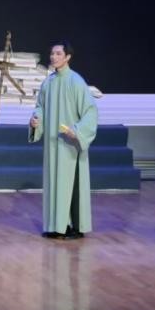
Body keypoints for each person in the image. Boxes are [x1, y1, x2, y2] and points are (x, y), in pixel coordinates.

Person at [28, 42, 97, 239]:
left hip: (70, 144)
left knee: (72, 184)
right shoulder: (48, 83)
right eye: (52, 53)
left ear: (67, 57)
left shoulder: (76, 81)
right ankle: (57, 226)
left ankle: (75, 227)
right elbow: (40, 107)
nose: (53, 57)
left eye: (58, 54)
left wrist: (78, 131)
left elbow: (90, 111)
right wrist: (35, 120)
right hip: (53, 144)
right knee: (54, 183)